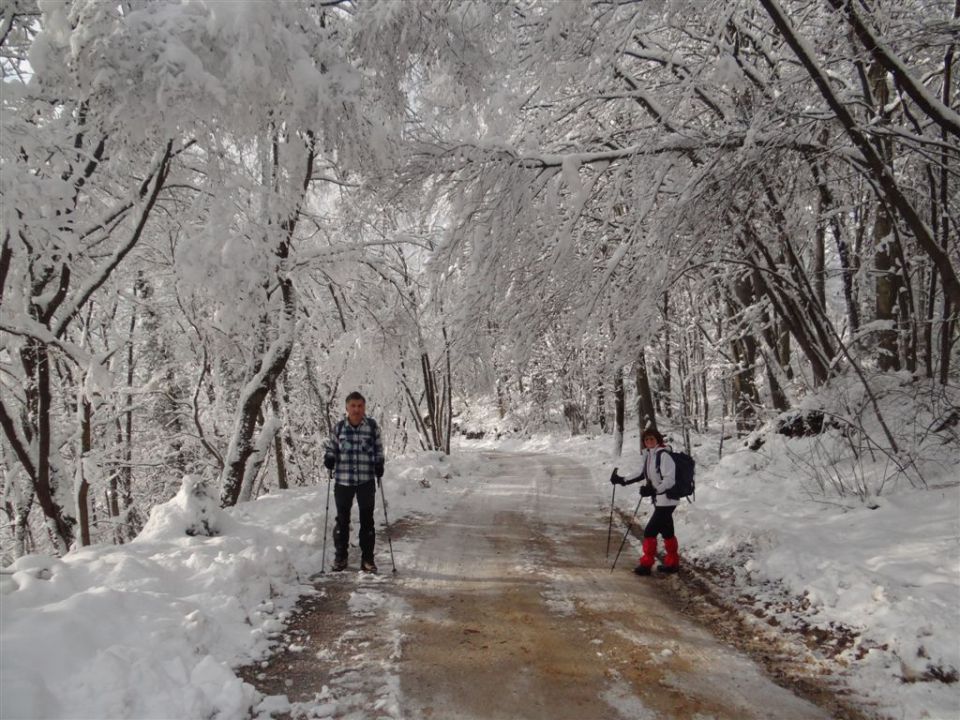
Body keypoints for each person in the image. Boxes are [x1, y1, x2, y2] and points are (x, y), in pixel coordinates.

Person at [324, 391, 385, 573]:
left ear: (364, 407)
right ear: (347, 408)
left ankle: (367, 559)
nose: (356, 410)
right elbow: (331, 448)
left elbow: (379, 449)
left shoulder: (372, 427)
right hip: (343, 481)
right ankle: (341, 557)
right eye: (353, 406)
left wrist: (380, 463)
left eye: (360, 406)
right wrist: (329, 458)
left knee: (367, 520)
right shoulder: (339, 428)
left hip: (366, 480)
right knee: (342, 520)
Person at [610, 428, 680, 575]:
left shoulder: (664, 456)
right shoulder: (650, 455)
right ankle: (672, 563)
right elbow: (642, 474)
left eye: (652, 439)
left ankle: (647, 565)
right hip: (660, 500)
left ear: (658, 440)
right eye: (646, 439)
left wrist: (654, 490)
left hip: (667, 500)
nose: (649, 442)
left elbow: (670, 480)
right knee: (667, 531)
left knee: (649, 531)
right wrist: (622, 480)